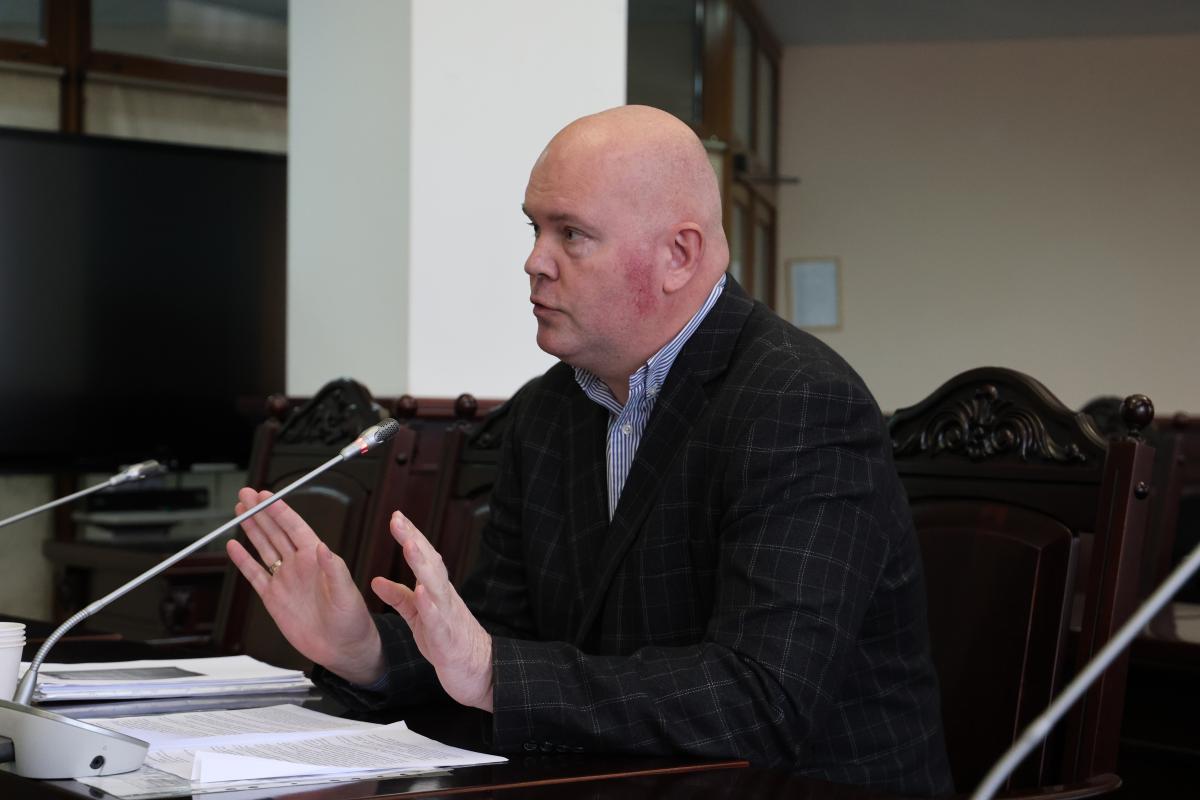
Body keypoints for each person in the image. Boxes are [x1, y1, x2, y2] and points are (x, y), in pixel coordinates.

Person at [227, 105, 953, 796]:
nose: (534, 262)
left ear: (678, 255)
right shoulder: (548, 410)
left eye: (571, 234)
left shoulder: (799, 402)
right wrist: (367, 652)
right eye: (535, 228)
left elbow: (763, 701)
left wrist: (495, 674)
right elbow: (493, 635)